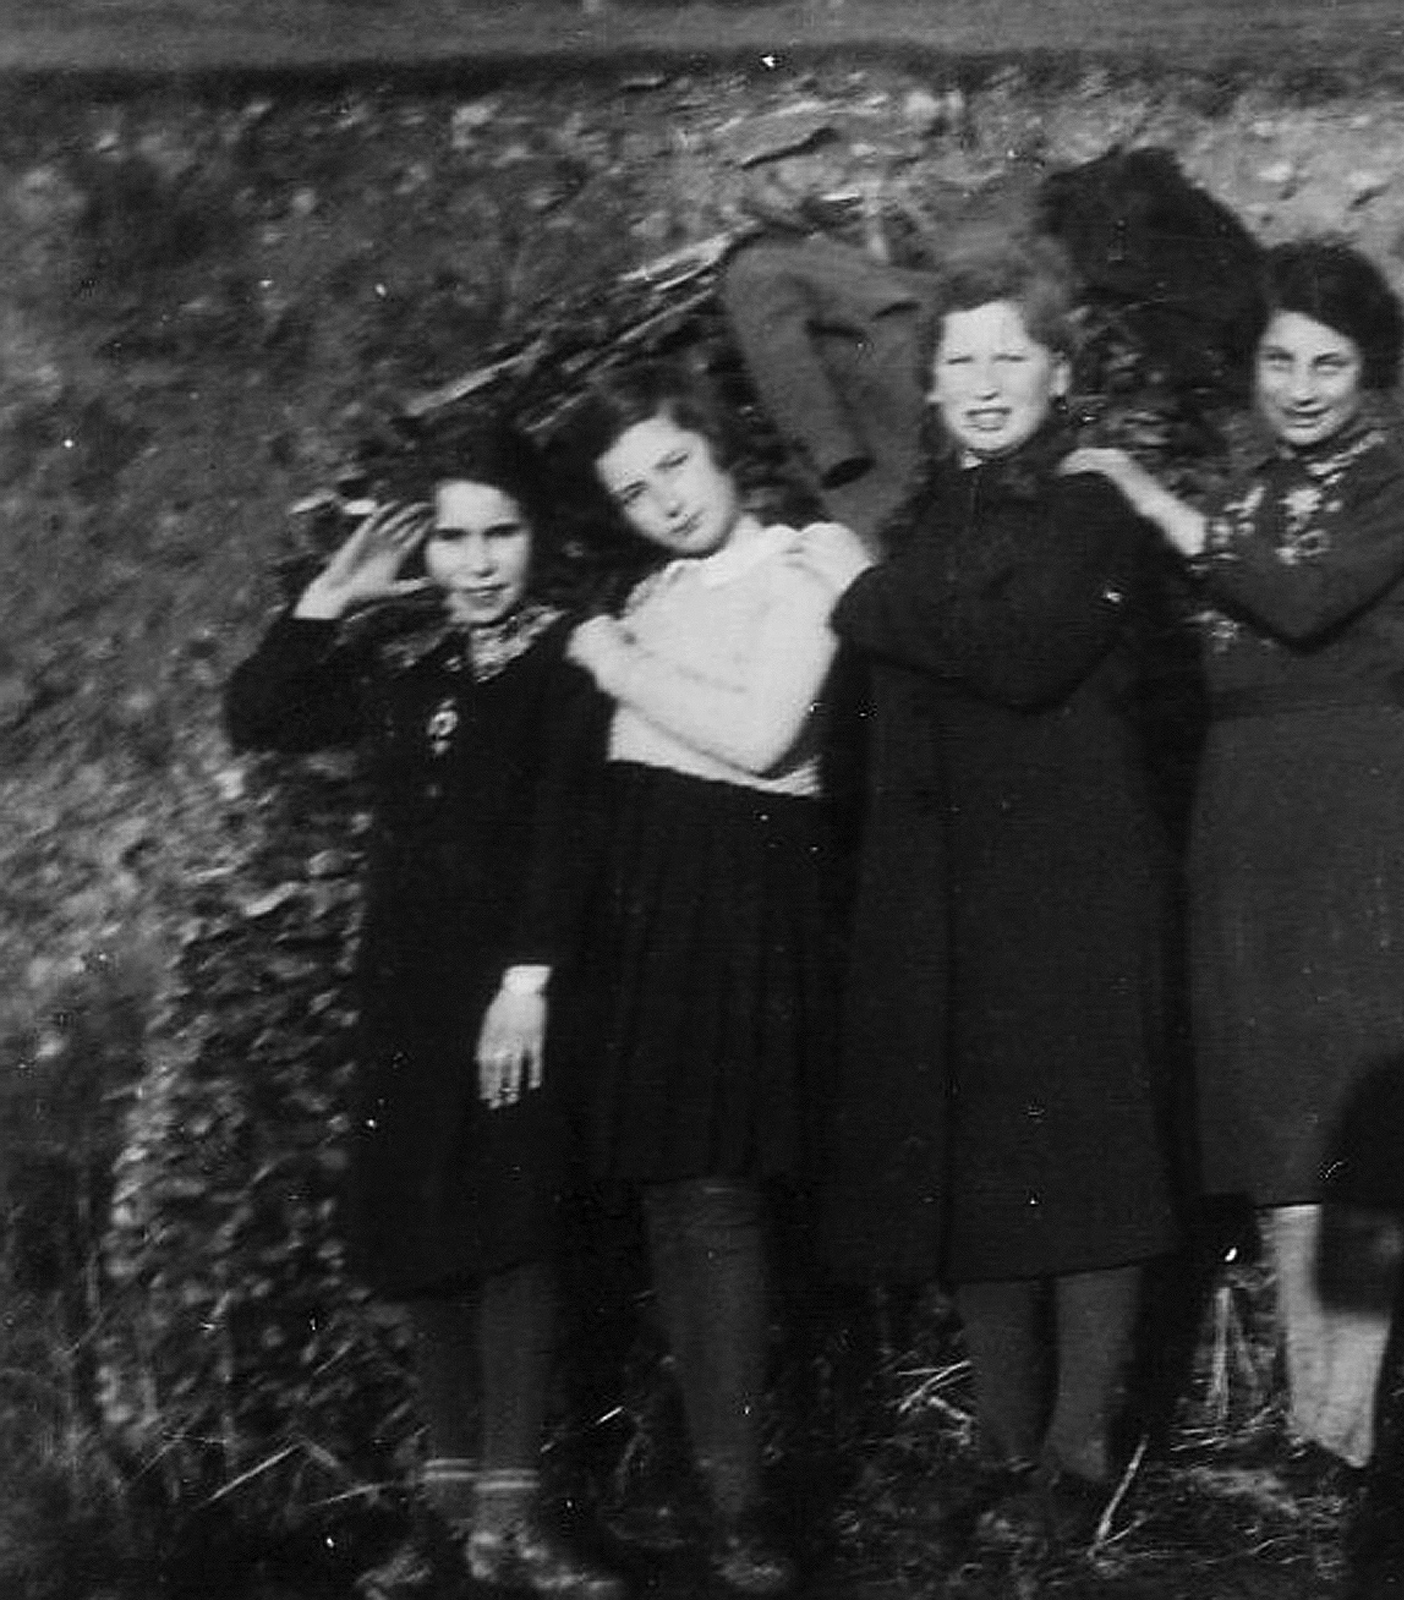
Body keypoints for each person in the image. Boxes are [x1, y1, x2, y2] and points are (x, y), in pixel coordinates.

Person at [815, 232, 1178, 1545]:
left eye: (1008, 356)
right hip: (950, 893)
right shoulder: (924, 520)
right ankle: (1004, 1437)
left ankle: (1079, 1458)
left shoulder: (1091, 506)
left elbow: (1024, 655)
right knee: (978, 1162)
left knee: (1083, 1160)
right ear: (930, 381)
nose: (981, 380)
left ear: (1056, 370)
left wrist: (861, 604)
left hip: (1073, 887)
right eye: (959, 357)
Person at [223, 420, 621, 1600]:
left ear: (537, 536)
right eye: (453, 537)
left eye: (501, 533)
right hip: (409, 989)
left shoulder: (569, 660)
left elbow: (568, 829)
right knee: (427, 1239)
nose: (478, 560)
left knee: (513, 1236)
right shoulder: (407, 663)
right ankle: (448, 1521)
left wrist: (529, 980)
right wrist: (328, 600)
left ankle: (518, 1517)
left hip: (523, 996)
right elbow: (260, 713)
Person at [1066, 239, 1404, 1476]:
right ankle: (1308, 1418)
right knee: (1279, 1125)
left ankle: (1345, 1425)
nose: (1297, 385)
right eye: (1278, 358)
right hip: (1245, 816)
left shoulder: (1402, 489)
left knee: (1359, 1122)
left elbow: (1297, 598)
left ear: (1368, 370)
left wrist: (1140, 490)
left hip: (1356, 809)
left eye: (1327, 363)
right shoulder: (1250, 483)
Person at [551, 364, 872, 1598]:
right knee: (672, 1200)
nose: (664, 501)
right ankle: (713, 1477)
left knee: (724, 1194)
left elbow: (759, 733)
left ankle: (745, 1509)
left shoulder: (802, 563)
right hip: (652, 908)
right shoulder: (653, 589)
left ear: (717, 445)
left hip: (745, 901)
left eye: (672, 464)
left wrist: (609, 660)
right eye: (632, 490)